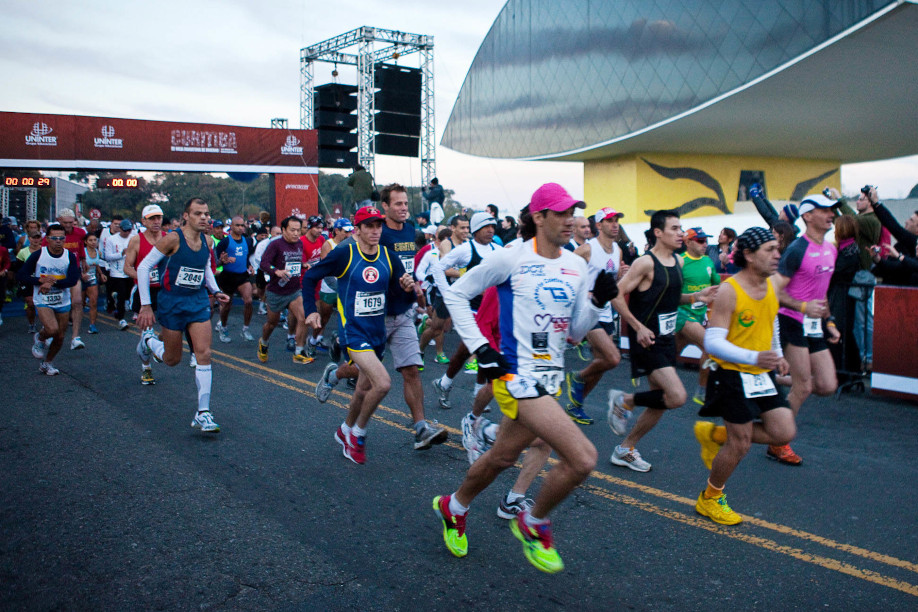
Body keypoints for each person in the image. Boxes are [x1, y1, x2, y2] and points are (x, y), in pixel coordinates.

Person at [431, 182, 618, 574]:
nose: (572, 221)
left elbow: (576, 332)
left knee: (501, 457)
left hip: (549, 378)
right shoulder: (510, 258)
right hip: (515, 376)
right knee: (582, 459)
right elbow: (455, 295)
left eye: (574, 213)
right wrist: (481, 348)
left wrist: (598, 301)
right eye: (563, 214)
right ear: (539, 217)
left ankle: (455, 505)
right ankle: (533, 523)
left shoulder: (576, 265)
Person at [693, 227, 795, 525]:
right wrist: (753, 356)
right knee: (741, 444)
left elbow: (770, 321)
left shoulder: (772, 284)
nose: (778, 255)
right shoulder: (729, 289)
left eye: (778, 248)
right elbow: (712, 342)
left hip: (761, 373)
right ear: (749, 255)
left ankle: (714, 435)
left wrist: (777, 355)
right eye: (770, 250)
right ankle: (710, 498)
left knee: (783, 431)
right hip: (731, 374)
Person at [302, 206, 416, 464]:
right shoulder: (345, 254)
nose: (375, 231)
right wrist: (311, 310)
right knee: (383, 383)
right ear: (358, 229)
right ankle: (358, 435)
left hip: (378, 332)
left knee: (363, 389)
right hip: (353, 333)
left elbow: (402, 294)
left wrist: (409, 288)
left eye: (378, 226)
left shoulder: (388, 256)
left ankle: (344, 430)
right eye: (369, 226)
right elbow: (310, 277)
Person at [606, 210, 717, 473]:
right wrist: (638, 326)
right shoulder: (645, 262)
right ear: (658, 232)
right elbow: (616, 294)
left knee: (659, 400)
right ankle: (624, 400)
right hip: (646, 337)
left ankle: (625, 449)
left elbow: (671, 299)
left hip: (665, 336)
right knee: (676, 396)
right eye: (675, 228)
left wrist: (696, 297)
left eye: (681, 228)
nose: (681, 233)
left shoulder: (678, 261)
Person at [135, 197, 230, 433]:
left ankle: (203, 412)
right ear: (186, 216)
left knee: (204, 353)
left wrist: (215, 290)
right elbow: (144, 267)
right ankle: (148, 341)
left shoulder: (208, 240)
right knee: (172, 359)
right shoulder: (173, 239)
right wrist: (146, 306)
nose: (204, 218)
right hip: (172, 302)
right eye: (198, 213)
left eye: (207, 214)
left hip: (197, 301)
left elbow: (205, 267)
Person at [770, 194, 840, 465]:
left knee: (826, 385)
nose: (831, 214)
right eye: (824, 210)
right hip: (792, 319)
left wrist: (830, 322)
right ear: (807, 215)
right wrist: (802, 308)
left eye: (832, 210)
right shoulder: (797, 249)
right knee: (804, 386)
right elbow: (774, 290)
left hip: (814, 324)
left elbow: (822, 295)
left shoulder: (831, 249)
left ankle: (770, 378)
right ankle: (778, 442)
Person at [430, 212, 500, 408]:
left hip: (489, 309)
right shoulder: (466, 250)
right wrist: (448, 294)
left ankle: (446, 383)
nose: (490, 230)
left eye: (493, 227)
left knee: (473, 350)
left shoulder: (498, 249)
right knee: (480, 347)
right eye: (486, 227)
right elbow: (438, 268)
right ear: (476, 229)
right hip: (469, 307)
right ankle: (477, 393)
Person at [564, 207, 626, 424]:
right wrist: (583, 291)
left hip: (606, 311)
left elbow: (614, 280)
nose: (615, 224)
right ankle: (578, 377)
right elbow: (564, 271)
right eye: (610, 220)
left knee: (604, 362)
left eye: (617, 220)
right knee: (612, 358)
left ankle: (575, 405)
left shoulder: (617, 250)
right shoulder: (587, 249)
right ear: (598, 225)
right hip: (587, 311)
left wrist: (621, 276)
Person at [17, 224, 81, 375]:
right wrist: (40, 281)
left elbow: (72, 280)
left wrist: (52, 282)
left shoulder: (69, 256)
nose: (58, 241)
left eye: (61, 238)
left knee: (59, 337)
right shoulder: (38, 255)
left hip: (62, 301)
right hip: (43, 299)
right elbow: (22, 275)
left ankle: (47, 363)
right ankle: (40, 336)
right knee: (52, 329)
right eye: (54, 238)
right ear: (47, 239)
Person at [675, 227, 721, 405]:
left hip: (700, 315)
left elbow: (716, 284)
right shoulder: (681, 262)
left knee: (673, 351)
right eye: (700, 241)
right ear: (688, 242)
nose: (705, 244)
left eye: (706, 241)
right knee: (710, 347)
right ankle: (702, 391)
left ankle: (659, 379)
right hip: (682, 313)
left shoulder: (709, 261)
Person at [257, 216, 312, 364]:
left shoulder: (299, 244)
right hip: (276, 292)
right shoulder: (275, 245)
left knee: (304, 317)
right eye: (292, 230)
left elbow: (294, 261)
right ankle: (264, 342)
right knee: (271, 324)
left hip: (294, 290)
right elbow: (264, 264)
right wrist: (276, 271)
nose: (296, 233)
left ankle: (299, 352)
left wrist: (303, 265)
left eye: (298, 230)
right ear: (283, 230)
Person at [418, 215, 470, 364]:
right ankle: (420, 350)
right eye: (462, 228)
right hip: (444, 292)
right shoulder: (447, 244)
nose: (466, 231)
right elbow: (446, 270)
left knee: (469, 325)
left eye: (467, 228)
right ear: (453, 228)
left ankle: (472, 360)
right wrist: (466, 272)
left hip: (462, 292)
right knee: (437, 328)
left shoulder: (467, 244)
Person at [45, 209, 87, 350]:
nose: (69, 225)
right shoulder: (52, 234)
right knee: (54, 305)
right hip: (55, 273)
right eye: (65, 222)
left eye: (71, 222)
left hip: (73, 271)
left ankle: (75, 337)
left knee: (77, 302)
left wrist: (83, 261)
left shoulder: (80, 233)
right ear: (59, 220)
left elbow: (81, 249)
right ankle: (50, 334)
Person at [214, 216, 256, 343]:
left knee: (248, 301)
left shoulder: (248, 241)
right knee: (227, 305)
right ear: (231, 226)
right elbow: (215, 262)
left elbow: (246, 256)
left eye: (242, 225)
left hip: (242, 275)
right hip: (227, 276)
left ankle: (245, 328)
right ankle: (223, 327)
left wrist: (249, 265)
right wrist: (222, 261)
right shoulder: (225, 242)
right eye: (237, 225)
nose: (240, 228)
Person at [299, 215, 328, 356]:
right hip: (305, 282)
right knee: (306, 316)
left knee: (321, 314)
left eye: (321, 228)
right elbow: (303, 264)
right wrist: (308, 266)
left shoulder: (322, 240)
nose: (319, 231)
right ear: (310, 227)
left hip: (319, 281)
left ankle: (314, 340)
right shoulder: (302, 242)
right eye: (317, 228)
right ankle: (298, 344)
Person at [102, 218, 135, 330]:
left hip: (130, 270)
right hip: (117, 272)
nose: (127, 232)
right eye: (125, 230)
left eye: (129, 230)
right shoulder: (111, 239)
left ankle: (117, 300)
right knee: (122, 295)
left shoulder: (133, 238)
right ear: (120, 229)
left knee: (129, 294)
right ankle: (121, 319)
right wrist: (121, 253)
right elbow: (107, 256)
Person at [82, 234, 107, 336]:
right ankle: (74, 319)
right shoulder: (82, 252)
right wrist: (82, 274)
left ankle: (92, 325)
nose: (93, 242)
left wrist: (101, 274)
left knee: (93, 302)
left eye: (95, 240)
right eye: (90, 240)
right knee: (80, 303)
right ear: (86, 242)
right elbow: (76, 265)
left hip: (92, 279)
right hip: (82, 278)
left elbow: (96, 265)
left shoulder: (98, 252)